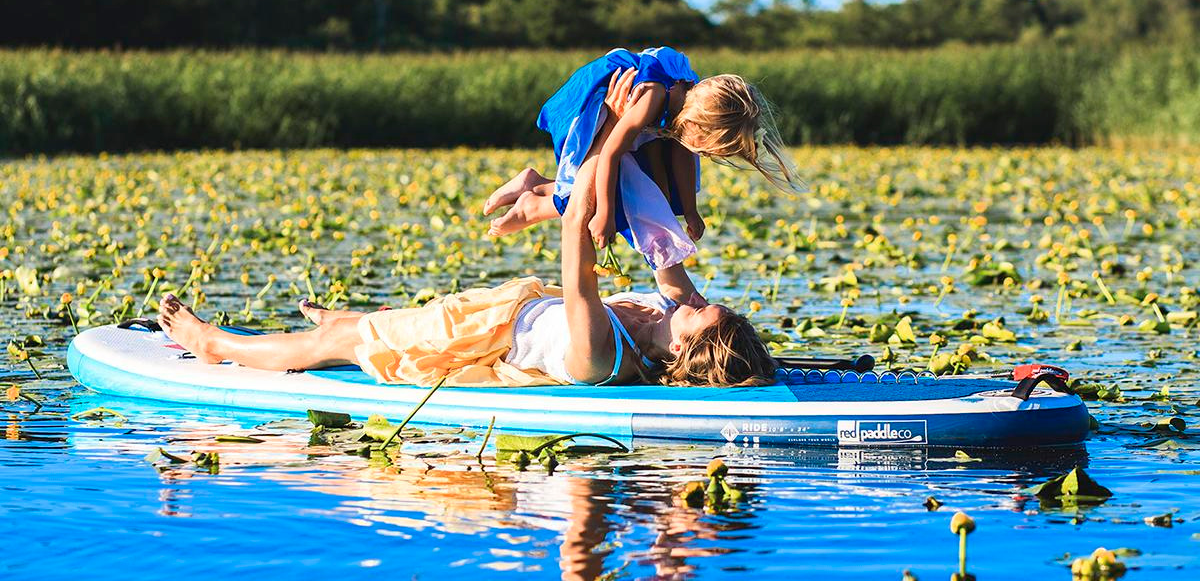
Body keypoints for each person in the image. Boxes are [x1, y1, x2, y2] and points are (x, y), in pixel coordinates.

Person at [156, 153, 778, 388]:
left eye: (699, 315)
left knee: (337, 346)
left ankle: (211, 342)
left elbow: (576, 247)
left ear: (681, 355)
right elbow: (663, 239)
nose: (694, 302)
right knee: (381, 323)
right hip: (502, 309)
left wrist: (601, 151)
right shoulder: (665, 316)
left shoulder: (603, 357)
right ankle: (352, 320)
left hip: (480, 336)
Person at [483, 46, 802, 270]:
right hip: (598, 103)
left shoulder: (685, 103)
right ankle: (531, 205)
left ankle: (535, 187)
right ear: (699, 124)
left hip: (641, 125)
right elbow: (608, 153)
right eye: (705, 145)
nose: (702, 152)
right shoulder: (653, 98)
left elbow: (681, 154)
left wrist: (690, 212)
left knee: (658, 196)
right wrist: (605, 215)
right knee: (589, 196)